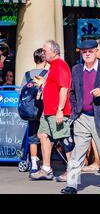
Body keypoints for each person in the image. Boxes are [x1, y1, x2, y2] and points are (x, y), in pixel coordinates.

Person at [61, 40, 100, 194]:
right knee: (77, 152)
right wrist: (76, 109)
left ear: (96, 52)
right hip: (82, 117)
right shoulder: (76, 69)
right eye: (84, 52)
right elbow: (73, 92)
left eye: (90, 51)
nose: (87, 54)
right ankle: (72, 184)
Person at [30, 40, 73, 181]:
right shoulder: (52, 66)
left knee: (64, 139)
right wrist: (43, 83)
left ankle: (72, 171)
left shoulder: (60, 65)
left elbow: (64, 88)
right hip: (48, 110)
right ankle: (46, 169)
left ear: (54, 52)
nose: (43, 53)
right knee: (42, 135)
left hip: (56, 111)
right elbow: (55, 86)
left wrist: (60, 110)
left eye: (45, 50)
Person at [20, 48, 48, 176]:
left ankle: (34, 165)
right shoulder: (47, 73)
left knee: (32, 138)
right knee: (44, 137)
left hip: (29, 111)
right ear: (45, 60)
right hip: (42, 110)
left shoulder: (27, 75)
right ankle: (46, 164)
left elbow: (21, 92)